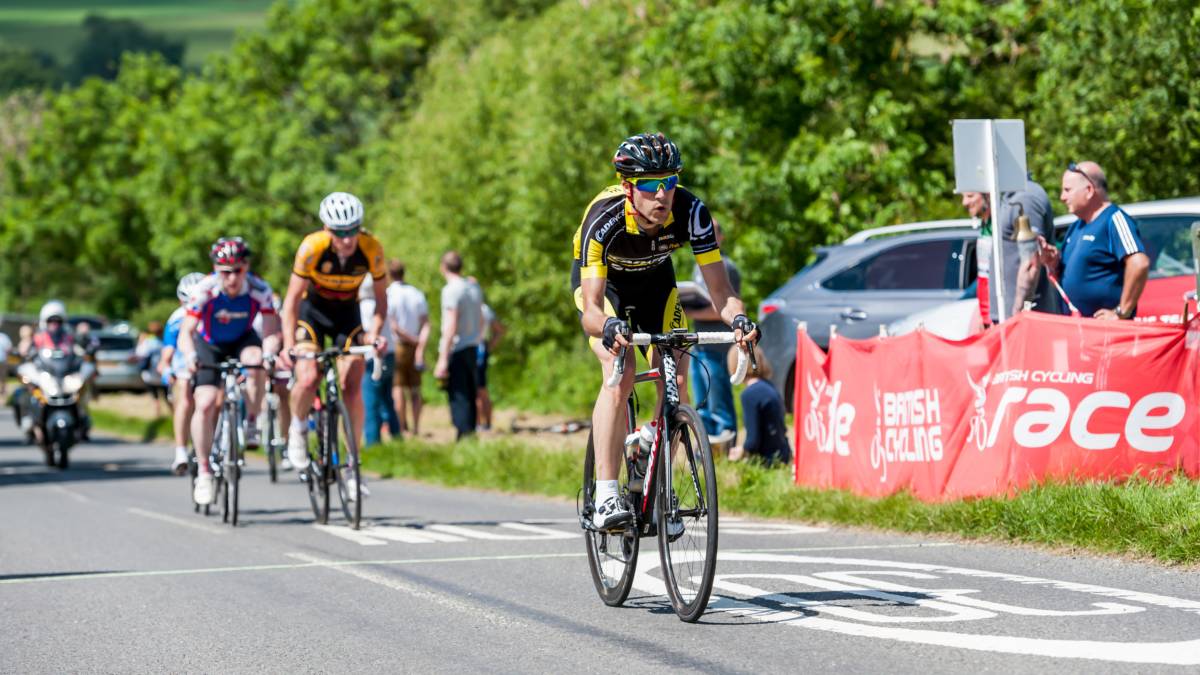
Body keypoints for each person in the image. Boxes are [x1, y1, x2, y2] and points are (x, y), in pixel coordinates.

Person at [572, 132, 757, 529]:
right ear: (627, 187)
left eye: (670, 182)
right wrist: (608, 326)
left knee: (677, 373)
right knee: (619, 375)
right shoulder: (603, 219)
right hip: (608, 291)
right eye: (652, 185)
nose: (662, 195)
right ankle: (606, 494)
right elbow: (590, 309)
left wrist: (740, 320)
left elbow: (722, 293)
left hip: (656, 283)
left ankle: (655, 473)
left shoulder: (692, 213)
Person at [281, 191, 387, 501]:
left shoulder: (371, 249)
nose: (347, 238)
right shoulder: (312, 247)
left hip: (347, 315)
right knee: (308, 377)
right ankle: (298, 429)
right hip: (311, 313)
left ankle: (352, 467)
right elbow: (290, 302)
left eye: (353, 229)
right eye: (340, 232)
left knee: (353, 385)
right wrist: (289, 345)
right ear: (327, 229)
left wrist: (375, 334)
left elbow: (381, 301)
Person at [178, 238, 278, 505]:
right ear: (215, 269)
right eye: (225, 271)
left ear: (246, 267)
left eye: (237, 271)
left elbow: (270, 331)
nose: (232, 278)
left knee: (256, 360)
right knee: (207, 403)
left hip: (242, 340)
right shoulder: (205, 290)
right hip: (209, 344)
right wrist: (189, 356)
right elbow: (186, 332)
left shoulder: (259, 289)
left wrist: (269, 355)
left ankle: (254, 419)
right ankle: (204, 472)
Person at [1038, 161, 1150, 319]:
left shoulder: (1114, 219)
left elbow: (1139, 263)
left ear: (1089, 190)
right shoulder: (1076, 226)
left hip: (1107, 335)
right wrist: (1053, 261)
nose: (1062, 197)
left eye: (1067, 190)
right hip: (1080, 330)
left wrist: (1121, 312)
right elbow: (1069, 275)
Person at [961, 179, 1057, 324]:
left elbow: (1031, 264)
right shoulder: (1003, 207)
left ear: (987, 195)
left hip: (1018, 318)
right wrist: (984, 313)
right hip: (996, 314)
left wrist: (1020, 311)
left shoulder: (1025, 198)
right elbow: (986, 275)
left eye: (970, 196)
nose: (964, 202)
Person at [682, 220, 740, 446]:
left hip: (719, 346)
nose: (707, 236)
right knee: (702, 403)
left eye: (713, 232)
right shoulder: (698, 266)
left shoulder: (727, 266)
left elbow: (727, 308)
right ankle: (707, 449)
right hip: (699, 344)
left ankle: (728, 448)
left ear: (721, 237)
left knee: (719, 402)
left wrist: (691, 313)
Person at [159, 272, 206, 475]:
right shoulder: (177, 319)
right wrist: (166, 369)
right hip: (183, 362)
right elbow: (166, 354)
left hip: (207, 359)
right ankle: (180, 451)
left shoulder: (213, 312)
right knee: (185, 398)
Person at [434, 251, 483, 440]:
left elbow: (450, 325)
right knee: (471, 392)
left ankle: (463, 435)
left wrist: (442, 359)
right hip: (473, 345)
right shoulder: (473, 288)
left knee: (459, 395)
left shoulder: (451, 290)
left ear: (443, 267)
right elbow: (480, 318)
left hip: (457, 347)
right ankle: (470, 433)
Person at [385, 259, 429, 438]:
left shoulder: (389, 294)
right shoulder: (416, 293)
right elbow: (426, 323)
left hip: (398, 346)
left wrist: (410, 339)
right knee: (415, 389)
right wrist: (419, 343)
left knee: (398, 388)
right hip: (416, 346)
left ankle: (402, 426)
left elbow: (393, 326)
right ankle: (417, 428)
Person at [726, 345, 791, 467]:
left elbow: (752, 442)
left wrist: (741, 452)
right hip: (784, 453)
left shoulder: (749, 395)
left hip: (769, 460)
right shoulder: (769, 386)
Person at [359, 276, 399, 445]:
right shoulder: (383, 306)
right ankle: (396, 435)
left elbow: (365, 335)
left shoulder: (364, 307)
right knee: (387, 398)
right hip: (390, 353)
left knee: (370, 401)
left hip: (374, 357)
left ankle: (373, 441)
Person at [475, 302, 504, 432]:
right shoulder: (485, 308)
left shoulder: (474, 307)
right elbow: (499, 331)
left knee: (477, 390)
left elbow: (499, 330)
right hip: (481, 348)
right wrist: (488, 348)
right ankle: (486, 423)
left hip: (473, 349)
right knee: (482, 389)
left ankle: (480, 424)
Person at [0, 327, 11, 398]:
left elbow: (8, 348)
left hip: (3, 360)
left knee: (3, 377)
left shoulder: (4, 337)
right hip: (3, 360)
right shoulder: (4, 337)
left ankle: (2, 392)